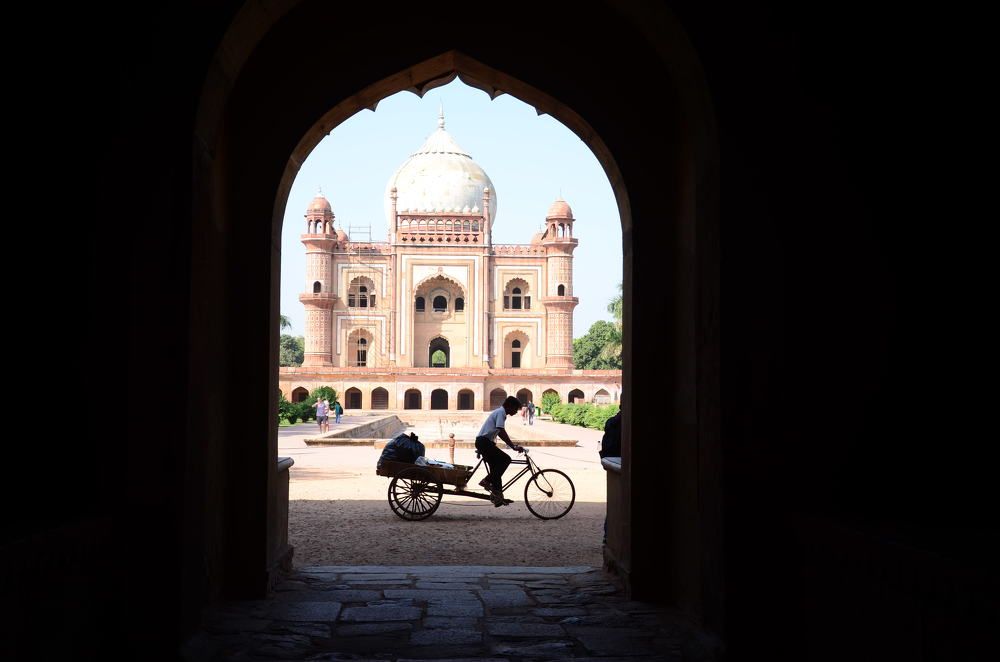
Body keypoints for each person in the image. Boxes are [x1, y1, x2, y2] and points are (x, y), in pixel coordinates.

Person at [475, 395, 525, 506]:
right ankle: (487, 481)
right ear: (510, 406)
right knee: (506, 459)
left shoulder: (500, 413)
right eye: (515, 409)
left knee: (496, 469)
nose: (516, 412)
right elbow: (501, 431)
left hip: (484, 442)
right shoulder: (500, 413)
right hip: (484, 442)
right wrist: (513, 446)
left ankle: (498, 497)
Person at [599, 396, 623, 543]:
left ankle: (608, 537)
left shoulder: (611, 422)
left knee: (615, 502)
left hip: (613, 465)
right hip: (621, 465)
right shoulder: (623, 424)